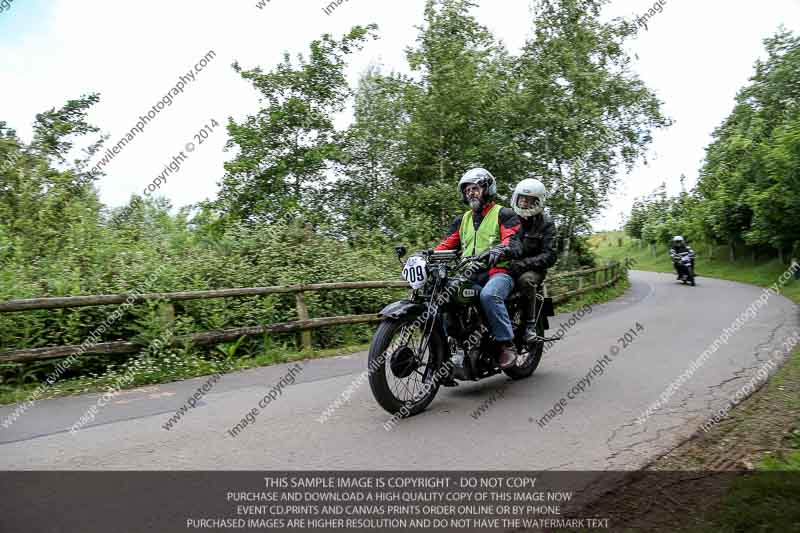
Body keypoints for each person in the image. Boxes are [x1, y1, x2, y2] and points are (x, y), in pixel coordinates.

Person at [435, 167, 521, 369]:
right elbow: (445, 246)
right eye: (467, 190)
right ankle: (452, 344)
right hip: (469, 274)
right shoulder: (462, 220)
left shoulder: (504, 214)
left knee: (489, 296)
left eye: (475, 188)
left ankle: (505, 344)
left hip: (498, 272)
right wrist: (425, 255)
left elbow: (513, 240)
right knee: (443, 295)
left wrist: (499, 250)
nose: (471, 193)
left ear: (488, 189)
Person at [506, 178, 557, 345]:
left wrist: (524, 264)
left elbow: (549, 256)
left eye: (528, 200)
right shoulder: (512, 219)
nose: (524, 202)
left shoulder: (547, 224)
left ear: (538, 201)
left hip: (534, 269)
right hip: (511, 265)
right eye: (521, 198)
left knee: (526, 281)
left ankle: (530, 326)